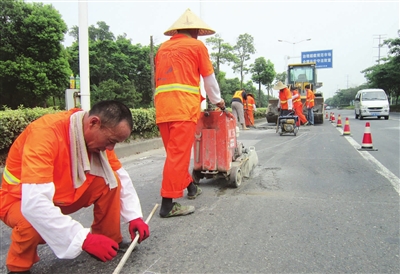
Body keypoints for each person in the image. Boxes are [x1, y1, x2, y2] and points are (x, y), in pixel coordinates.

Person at [0, 100, 150, 273]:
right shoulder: (45, 134)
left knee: (110, 181)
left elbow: (120, 177)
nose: (110, 148)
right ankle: (19, 266)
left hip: (60, 195)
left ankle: (108, 239)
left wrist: (134, 216)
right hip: (18, 199)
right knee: (29, 223)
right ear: (94, 123)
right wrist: (84, 239)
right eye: (110, 141)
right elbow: (34, 203)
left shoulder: (95, 136)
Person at [154, 8, 225, 218]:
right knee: (178, 156)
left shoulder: (162, 49)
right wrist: (218, 101)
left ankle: (191, 188)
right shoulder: (196, 46)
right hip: (183, 108)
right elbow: (209, 79)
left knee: (174, 155)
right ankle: (168, 204)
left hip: (163, 110)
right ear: (194, 31)